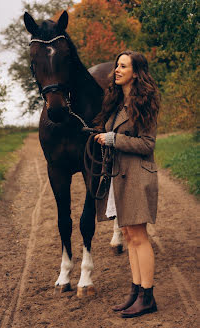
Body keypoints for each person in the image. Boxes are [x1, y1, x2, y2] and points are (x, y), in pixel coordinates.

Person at [93, 50, 160, 318]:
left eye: (123, 66)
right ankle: (135, 291)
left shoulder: (145, 101)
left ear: (136, 72)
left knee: (140, 237)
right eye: (117, 66)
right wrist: (100, 135)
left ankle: (148, 297)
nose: (116, 70)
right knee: (130, 236)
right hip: (120, 175)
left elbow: (147, 144)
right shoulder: (117, 101)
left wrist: (112, 139)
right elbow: (112, 131)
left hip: (138, 176)